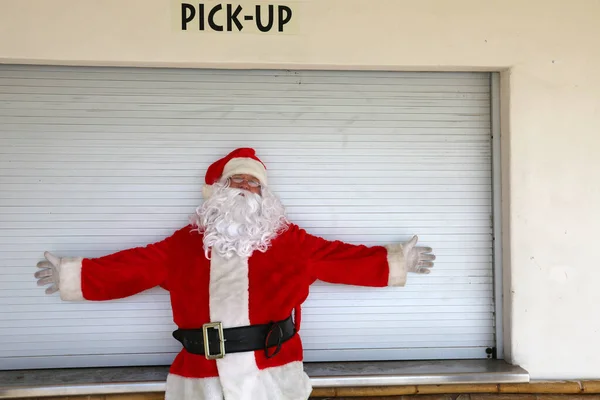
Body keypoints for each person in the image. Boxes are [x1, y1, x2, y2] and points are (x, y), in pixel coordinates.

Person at [34, 147, 436, 400]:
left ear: (266, 195)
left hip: (274, 377)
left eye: (254, 182)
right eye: (236, 179)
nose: (246, 187)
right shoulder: (184, 244)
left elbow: (342, 258)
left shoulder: (290, 241)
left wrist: (396, 260)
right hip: (201, 379)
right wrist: (75, 274)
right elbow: (131, 267)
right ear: (217, 191)